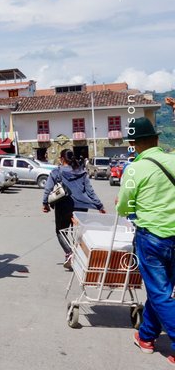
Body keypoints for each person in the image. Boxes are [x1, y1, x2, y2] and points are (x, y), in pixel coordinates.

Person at [116, 117, 175, 365]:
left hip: (152, 238)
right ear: (157, 138)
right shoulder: (172, 159)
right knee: (158, 290)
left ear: (133, 144)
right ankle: (146, 337)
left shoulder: (135, 169)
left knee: (161, 293)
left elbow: (123, 206)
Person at [42, 148, 105, 269]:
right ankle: (79, 255)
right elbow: (90, 191)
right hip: (82, 207)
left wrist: (45, 203)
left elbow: (48, 189)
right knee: (79, 233)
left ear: (61, 159)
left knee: (61, 231)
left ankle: (70, 253)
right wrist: (99, 206)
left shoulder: (56, 172)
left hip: (63, 206)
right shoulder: (81, 172)